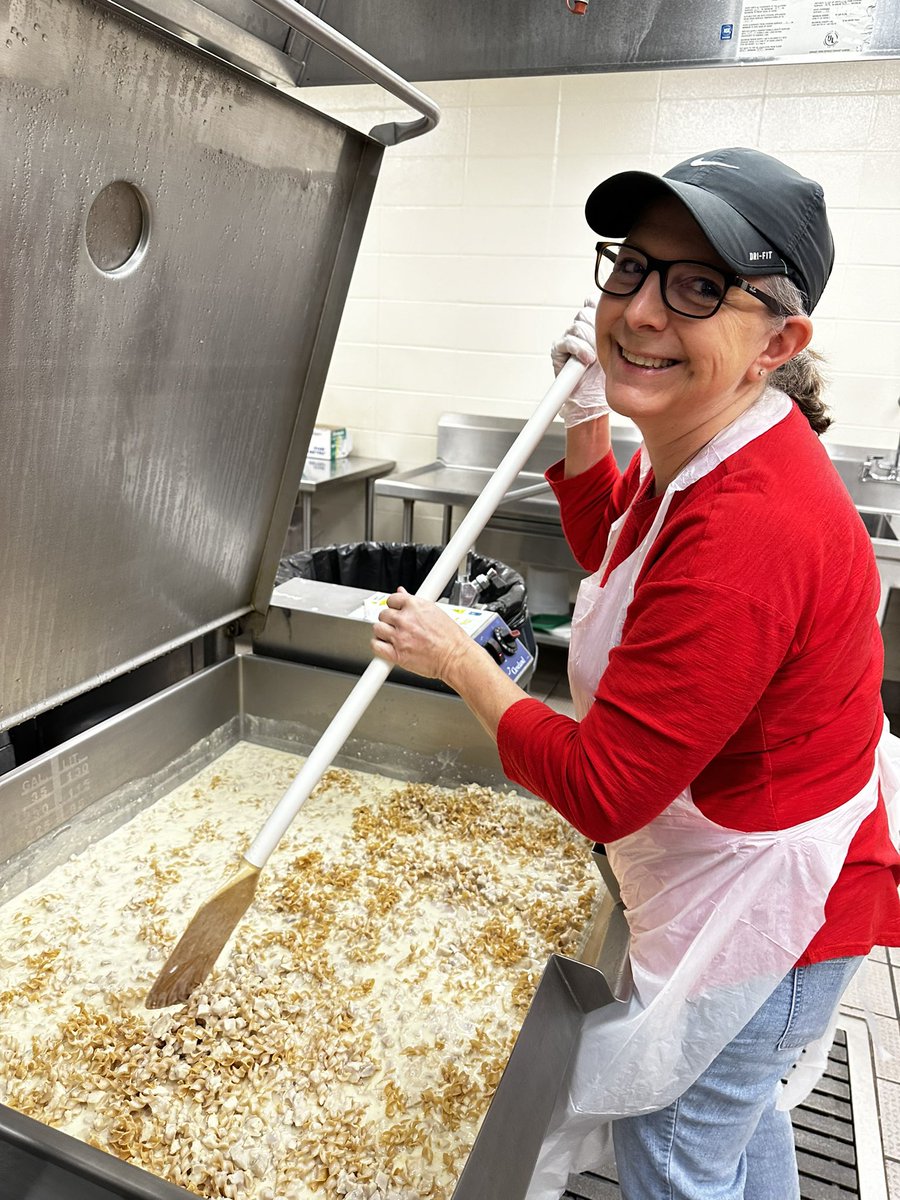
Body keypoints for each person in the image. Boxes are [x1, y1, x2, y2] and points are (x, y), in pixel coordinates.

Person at [371, 146, 900, 1200]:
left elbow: (606, 788)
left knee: (672, 1156)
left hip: (777, 918)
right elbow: (609, 536)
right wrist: (583, 413)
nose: (644, 310)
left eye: (700, 286)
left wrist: (461, 661)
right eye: (631, 268)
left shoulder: (751, 525)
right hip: (750, 872)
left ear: (778, 341)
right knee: (733, 1126)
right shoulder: (711, 444)